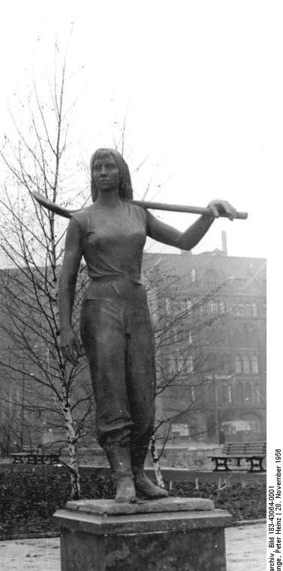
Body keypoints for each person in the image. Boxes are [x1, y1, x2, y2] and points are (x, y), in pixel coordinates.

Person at [58, 148, 237, 503]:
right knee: (111, 392)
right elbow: (67, 278)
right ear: (92, 175)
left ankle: (138, 474)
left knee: (143, 396)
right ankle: (122, 477)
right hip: (101, 305)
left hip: (136, 305)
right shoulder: (82, 220)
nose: (103, 172)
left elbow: (184, 241)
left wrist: (209, 212)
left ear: (121, 172)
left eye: (110, 166)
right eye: (97, 167)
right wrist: (64, 328)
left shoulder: (138, 212)